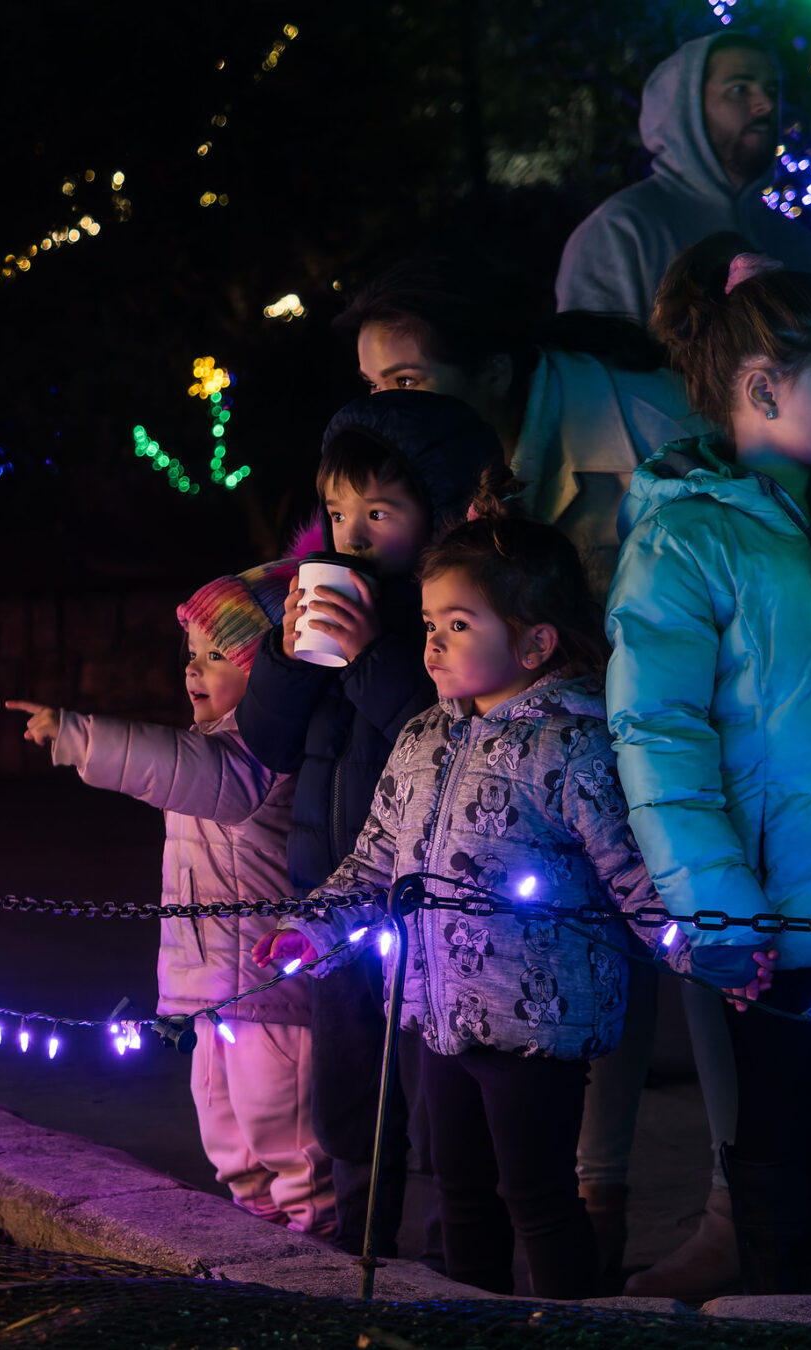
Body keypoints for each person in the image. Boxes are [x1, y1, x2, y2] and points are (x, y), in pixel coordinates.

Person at [254, 510, 662, 1299]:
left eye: (459, 624)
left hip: (535, 1032)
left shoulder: (573, 747)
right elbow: (372, 861)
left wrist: (697, 947)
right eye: (428, 623)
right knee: (463, 1200)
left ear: (536, 643)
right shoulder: (422, 741)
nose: (432, 643)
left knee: (538, 1200)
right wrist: (312, 926)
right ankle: (470, 1329)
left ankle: (573, 1325)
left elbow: (633, 871)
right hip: (437, 1021)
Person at [608, 232, 811, 1295]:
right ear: (763, 387)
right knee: (775, 1148)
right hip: (779, 928)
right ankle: (779, 1306)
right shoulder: (686, 542)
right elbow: (658, 734)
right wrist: (716, 908)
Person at [236, 390, 508, 1256]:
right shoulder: (318, 595)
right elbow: (271, 743)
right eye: (341, 509)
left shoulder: (449, 619)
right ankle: (359, 1248)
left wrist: (370, 655)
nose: (352, 531)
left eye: (380, 511)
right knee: (349, 1090)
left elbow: (439, 741)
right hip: (333, 896)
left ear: (435, 508)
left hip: (434, 909)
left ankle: (454, 1262)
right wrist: (285, 657)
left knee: (439, 1097)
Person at [6, 562, 334, 1236]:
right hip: (213, 993)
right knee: (230, 1146)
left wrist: (81, 737)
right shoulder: (216, 746)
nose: (193, 670)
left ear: (269, 673)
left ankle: (319, 1255)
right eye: (191, 654)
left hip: (269, 992)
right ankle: (263, 1247)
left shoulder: (262, 757)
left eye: (218, 656)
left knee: (289, 1142)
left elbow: (181, 770)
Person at [343, 255, 703, 599]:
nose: (384, 409)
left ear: (495, 371)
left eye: (406, 382)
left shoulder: (661, 439)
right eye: (373, 385)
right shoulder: (417, 466)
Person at [556, 33, 811, 324]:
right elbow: (588, 365)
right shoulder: (621, 232)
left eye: (771, 88)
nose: (765, 104)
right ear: (686, 110)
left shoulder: (809, 252)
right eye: (739, 89)